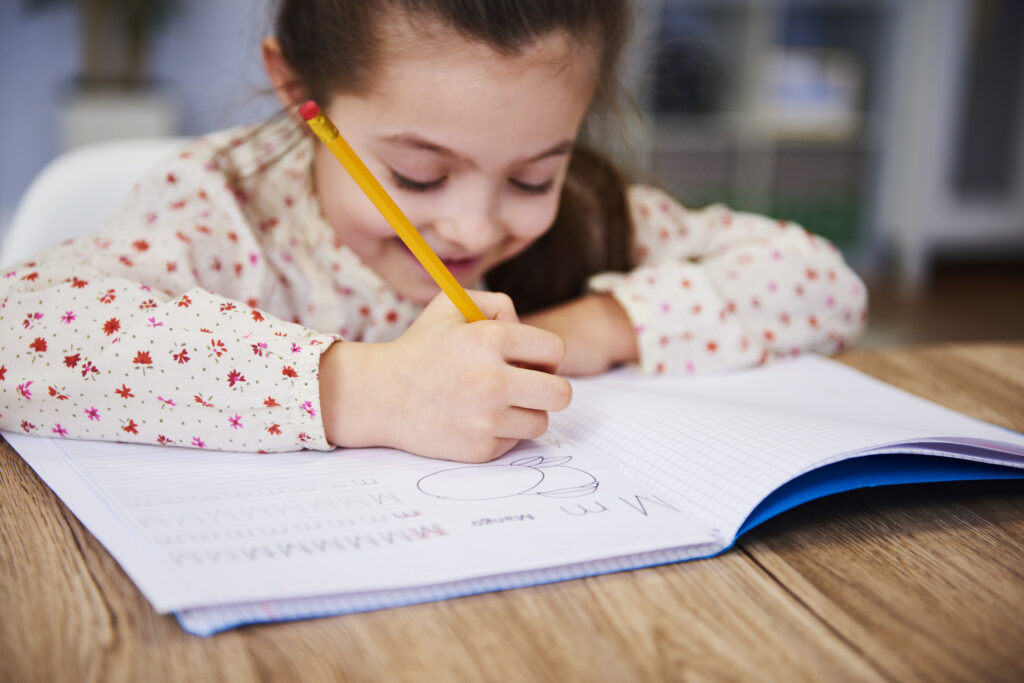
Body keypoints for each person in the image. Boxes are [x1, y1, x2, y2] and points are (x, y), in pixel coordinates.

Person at [0, 0, 866, 462]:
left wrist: (588, 328)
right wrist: (370, 388)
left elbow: (823, 283)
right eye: (417, 174)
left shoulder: (594, 214)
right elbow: (17, 333)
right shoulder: (226, 211)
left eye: (533, 175)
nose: (473, 225)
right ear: (298, 91)